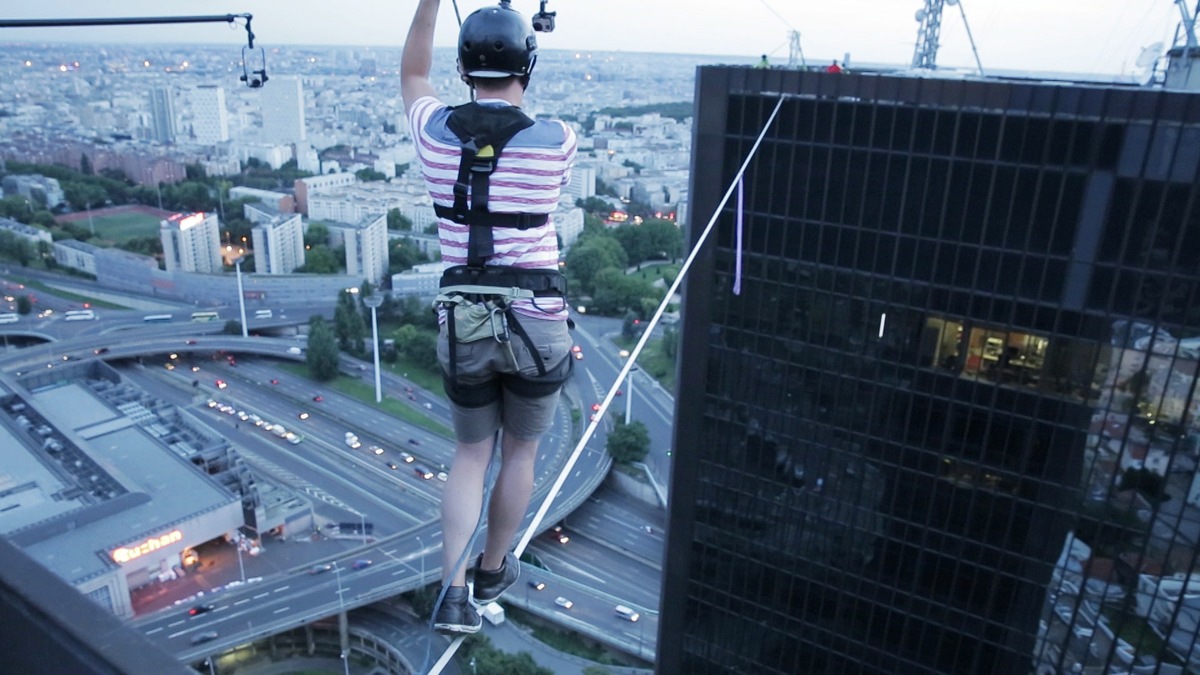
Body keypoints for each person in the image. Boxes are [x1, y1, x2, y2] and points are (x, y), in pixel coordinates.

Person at [401, 0, 577, 636]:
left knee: (470, 454)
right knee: (520, 451)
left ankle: (451, 595)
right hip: (536, 318)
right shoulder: (557, 138)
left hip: (464, 319)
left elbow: (412, 74)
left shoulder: (432, 133)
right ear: (526, 62)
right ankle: (494, 569)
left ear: (463, 64)